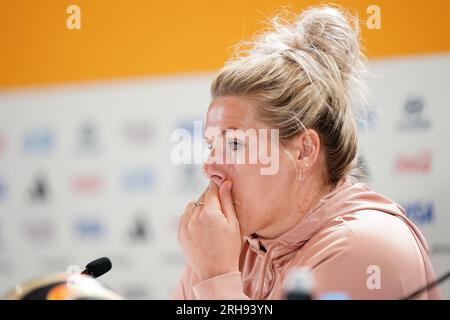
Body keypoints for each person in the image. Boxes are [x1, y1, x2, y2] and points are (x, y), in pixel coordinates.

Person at [173, 5, 442, 300]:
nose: (209, 166)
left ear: (304, 151)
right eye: (212, 145)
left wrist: (215, 277)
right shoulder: (230, 249)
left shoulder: (366, 246)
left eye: (235, 144)